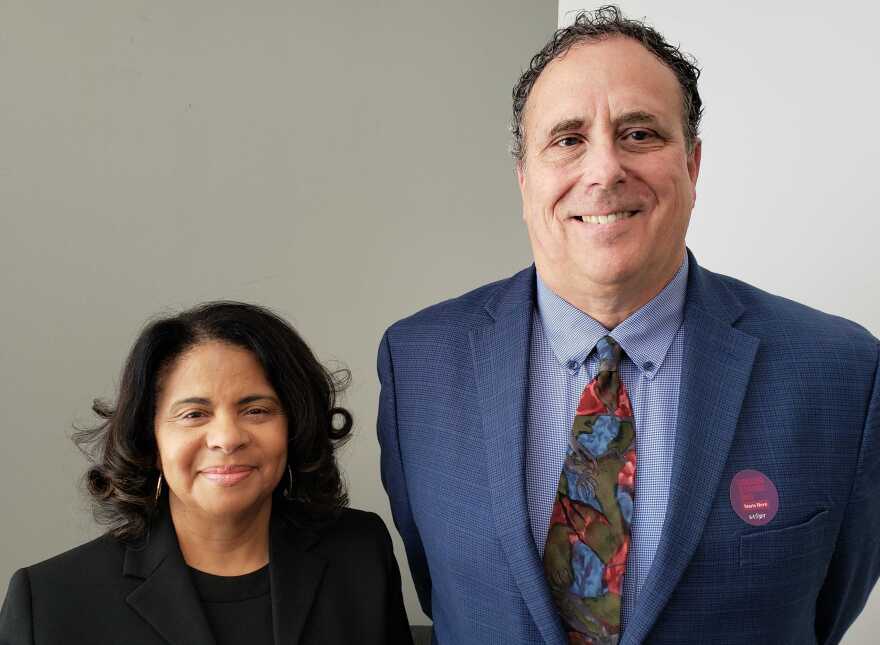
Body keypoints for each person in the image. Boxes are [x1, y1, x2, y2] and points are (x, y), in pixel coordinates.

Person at [377, 6, 879, 644]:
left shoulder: (841, 372)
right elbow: (441, 583)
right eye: (568, 139)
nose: (606, 169)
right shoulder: (418, 360)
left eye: (640, 133)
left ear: (692, 165)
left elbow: (828, 606)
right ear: (523, 176)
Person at [0, 301, 412, 645]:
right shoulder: (52, 600)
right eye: (194, 414)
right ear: (150, 438)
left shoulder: (360, 553)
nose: (227, 438)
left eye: (256, 410)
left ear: (293, 426)